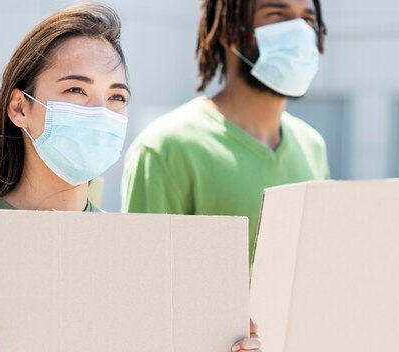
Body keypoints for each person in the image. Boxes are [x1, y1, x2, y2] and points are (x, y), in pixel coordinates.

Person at [0, 5, 262, 352]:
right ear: (20, 107)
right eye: (76, 90)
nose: (100, 112)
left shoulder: (134, 254)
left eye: (116, 96)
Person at [122, 0, 330, 266]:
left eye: (308, 20)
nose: (299, 31)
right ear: (227, 31)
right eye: (277, 15)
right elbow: (145, 282)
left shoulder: (312, 145)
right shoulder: (166, 148)